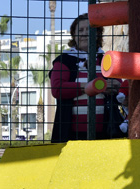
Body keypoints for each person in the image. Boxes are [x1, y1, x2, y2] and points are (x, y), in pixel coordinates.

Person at [49, 13, 128, 143]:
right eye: (80, 30)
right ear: (74, 35)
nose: (85, 33)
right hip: (71, 134)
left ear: (97, 34)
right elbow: (57, 89)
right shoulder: (64, 60)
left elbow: (118, 87)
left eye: (89, 30)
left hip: (105, 132)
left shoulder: (106, 59)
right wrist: (92, 87)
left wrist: (115, 86)